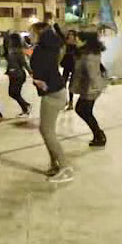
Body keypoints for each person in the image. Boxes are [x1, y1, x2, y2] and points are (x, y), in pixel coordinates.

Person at [29, 22, 73, 183]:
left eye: (32, 33)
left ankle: (65, 167)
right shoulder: (52, 48)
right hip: (55, 91)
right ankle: (55, 164)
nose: (30, 36)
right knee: (45, 130)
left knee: (48, 132)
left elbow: (41, 70)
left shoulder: (43, 50)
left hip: (53, 94)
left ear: (40, 34)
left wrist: (38, 81)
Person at [71, 30, 108, 146]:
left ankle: (99, 135)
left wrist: (93, 87)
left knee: (83, 110)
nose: (76, 40)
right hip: (91, 87)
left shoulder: (89, 56)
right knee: (84, 111)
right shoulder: (88, 53)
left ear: (85, 41)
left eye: (78, 39)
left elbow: (91, 74)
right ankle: (98, 134)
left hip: (91, 87)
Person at [5, 32, 32, 116]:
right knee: (12, 93)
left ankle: (26, 108)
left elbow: (24, 62)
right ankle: (26, 106)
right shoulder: (11, 49)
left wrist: (30, 72)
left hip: (18, 75)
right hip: (12, 74)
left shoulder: (18, 50)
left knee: (14, 93)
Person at [56, 28, 78, 110]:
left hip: (74, 67)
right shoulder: (66, 42)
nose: (70, 36)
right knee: (63, 84)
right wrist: (54, 24)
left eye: (72, 34)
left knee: (71, 86)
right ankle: (64, 100)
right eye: (69, 34)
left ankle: (71, 103)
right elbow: (59, 33)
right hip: (66, 66)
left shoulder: (77, 44)